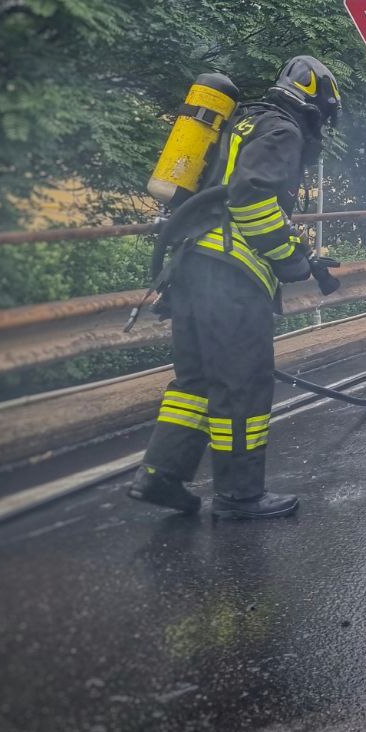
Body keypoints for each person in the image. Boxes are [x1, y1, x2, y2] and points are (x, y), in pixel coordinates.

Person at [128, 56, 342, 519]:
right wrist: (291, 259)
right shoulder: (284, 132)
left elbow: (225, 195)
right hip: (231, 277)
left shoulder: (242, 122)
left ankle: (160, 477)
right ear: (316, 107)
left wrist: (295, 248)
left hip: (190, 268)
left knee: (195, 383)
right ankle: (240, 495)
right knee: (242, 385)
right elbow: (251, 198)